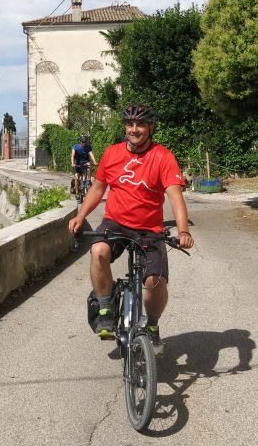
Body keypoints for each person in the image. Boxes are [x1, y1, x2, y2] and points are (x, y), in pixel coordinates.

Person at [67, 103, 194, 356]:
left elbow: (174, 196)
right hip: (115, 222)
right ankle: (105, 308)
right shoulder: (112, 154)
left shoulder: (163, 156)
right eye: (129, 124)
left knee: (154, 282)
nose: (134, 129)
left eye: (140, 124)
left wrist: (183, 231)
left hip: (149, 228)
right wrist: (81, 215)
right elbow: (97, 189)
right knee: (98, 251)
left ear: (150, 127)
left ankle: (153, 326)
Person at [71, 134, 98, 200]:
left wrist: (95, 161)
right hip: (77, 164)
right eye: (82, 142)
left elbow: (91, 154)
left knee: (89, 165)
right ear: (80, 142)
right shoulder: (76, 147)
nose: (84, 143)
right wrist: (72, 163)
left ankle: (88, 180)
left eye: (85, 142)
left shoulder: (88, 147)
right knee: (77, 178)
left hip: (85, 163)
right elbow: (72, 156)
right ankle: (77, 193)